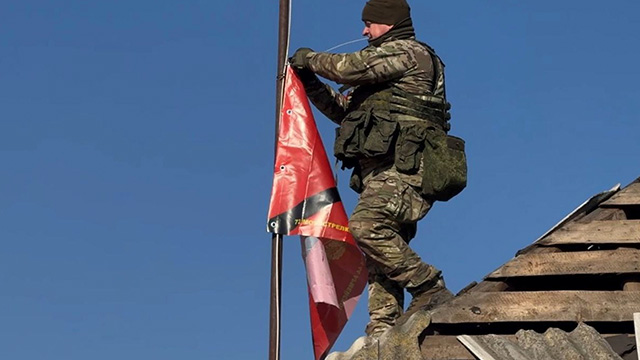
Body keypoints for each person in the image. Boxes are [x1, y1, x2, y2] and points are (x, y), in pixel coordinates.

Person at [289, 0, 456, 339]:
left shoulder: (408, 53)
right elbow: (344, 111)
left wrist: (309, 58)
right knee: (380, 258)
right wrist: (308, 83)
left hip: (405, 170)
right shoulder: (381, 77)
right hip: (382, 172)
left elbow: (347, 68)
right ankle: (384, 329)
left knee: (366, 227)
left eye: (370, 23)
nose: (364, 31)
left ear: (389, 23)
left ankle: (428, 284)